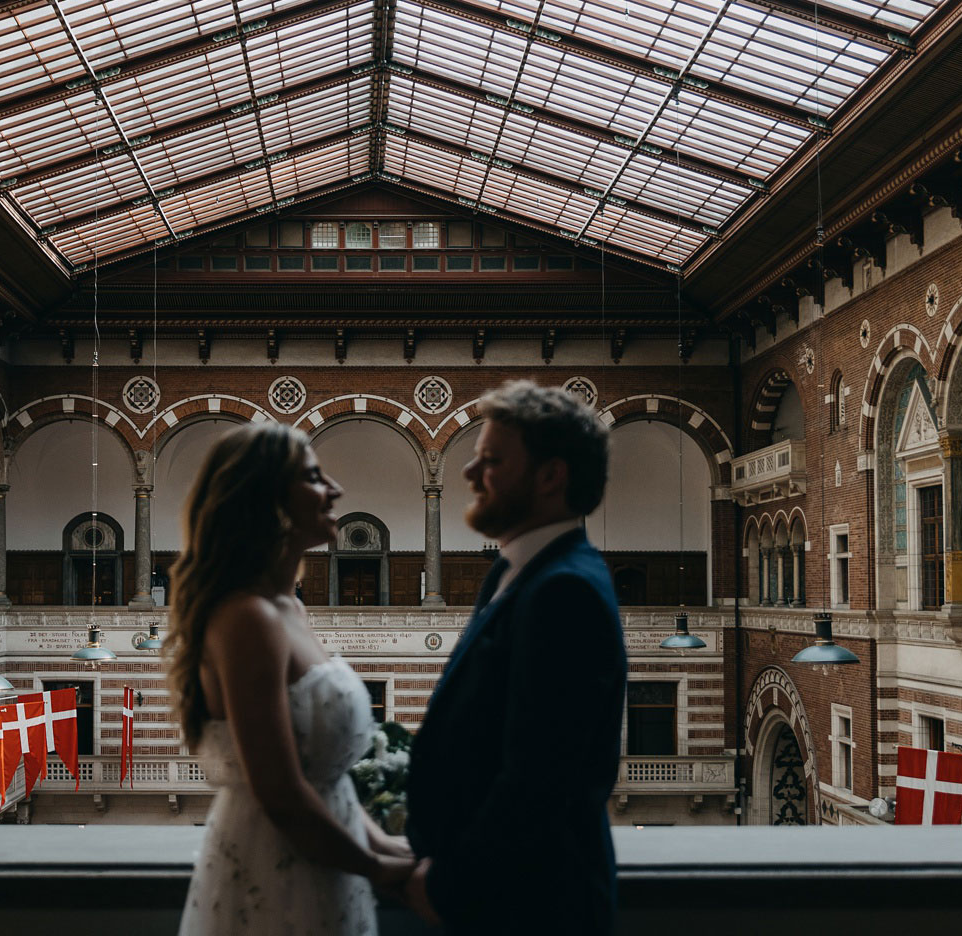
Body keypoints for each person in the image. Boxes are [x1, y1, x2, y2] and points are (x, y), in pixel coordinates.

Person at [169, 423, 416, 935]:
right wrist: (381, 869)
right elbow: (281, 792)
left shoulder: (289, 610)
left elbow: (326, 785)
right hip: (277, 875)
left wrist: (388, 847)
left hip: (322, 864)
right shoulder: (248, 619)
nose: (335, 489)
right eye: (312, 477)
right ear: (268, 501)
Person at [404, 380, 626, 934]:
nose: (468, 473)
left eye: (491, 460)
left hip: (531, 907)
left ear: (551, 475)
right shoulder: (512, 571)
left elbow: (539, 779)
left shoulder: (564, 592)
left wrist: (449, 884)